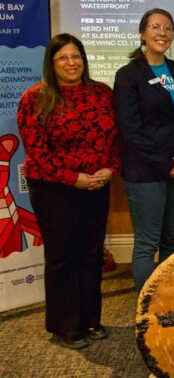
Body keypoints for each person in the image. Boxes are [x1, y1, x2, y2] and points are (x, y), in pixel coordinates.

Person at [17, 34, 119, 349]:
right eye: (63, 58)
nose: (71, 63)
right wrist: (72, 178)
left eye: (76, 56)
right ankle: (64, 327)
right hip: (54, 190)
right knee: (63, 257)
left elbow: (117, 137)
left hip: (97, 186)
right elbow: (36, 150)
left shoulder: (102, 93)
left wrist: (110, 169)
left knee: (91, 255)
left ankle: (91, 320)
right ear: (52, 62)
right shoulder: (35, 97)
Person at [114, 8, 174, 294]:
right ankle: (146, 310)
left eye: (168, 27)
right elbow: (130, 130)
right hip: (145, 171)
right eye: (155, 27)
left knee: (172, 239)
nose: (162, 32)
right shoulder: (128, 75)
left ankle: (170, 305)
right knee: (148, 242)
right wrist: (165, 164)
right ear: (142, 33)